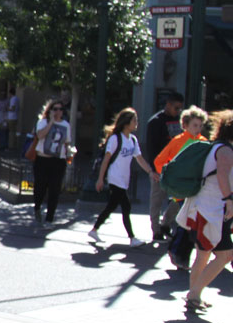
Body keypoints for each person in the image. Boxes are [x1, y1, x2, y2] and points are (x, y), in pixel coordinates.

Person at [176, 110, 233, 312]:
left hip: (203, 208)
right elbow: (223, 178)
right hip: (214, 210)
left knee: (203, 254)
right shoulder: (225, 151)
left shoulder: (214, 147)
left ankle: (194, 295)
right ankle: (194, 293)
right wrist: (230, 201)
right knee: (225, 256)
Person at [88, 108, 158, 246]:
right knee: (126, 206)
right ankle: (132, 238)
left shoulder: (132, 139)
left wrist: (150, 171)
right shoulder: (115, 139)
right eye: (134, 120)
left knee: (111, 206)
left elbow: (139, 158)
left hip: (124, 179)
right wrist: (101, 178)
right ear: (126, 123)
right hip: (115, 177)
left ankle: (94, 229)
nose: (136, 123)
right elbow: (106, 160)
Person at [154, 106, 208, 270]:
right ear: (185, 125)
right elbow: (159, 162)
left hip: (197, 189)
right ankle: (178, 253)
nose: (197, 129)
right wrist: (169, 179)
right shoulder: (177, 141)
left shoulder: (204, 142)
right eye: (194, 125)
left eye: (199, 125)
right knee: (188, 224)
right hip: (183, 190)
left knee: (190, 225)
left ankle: (178, 253)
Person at [146, 92, 185, 240]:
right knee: (157, 199)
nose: (178, 111)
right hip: (160, 168)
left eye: (180, 108)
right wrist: (154, 170)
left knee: (179, 197)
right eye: (176, 108)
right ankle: (156, 230)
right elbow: (151, 148)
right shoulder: (155, 122)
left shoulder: (179, 121)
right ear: (168, 104)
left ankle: (166, 223)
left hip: (175, 168)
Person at [32, 99, 74, 224]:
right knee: (40, 187)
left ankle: (50, 218)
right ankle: (37, 207)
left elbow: (67, 142)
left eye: (60, 109)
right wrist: (51, 121)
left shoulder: (66, 125)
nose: (58, 112)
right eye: (55, 109)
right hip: (42, 160)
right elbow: (40, 136)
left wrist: (70, 153)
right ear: (50, 110)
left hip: (58, 161)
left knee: (55, 190)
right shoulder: (43, 122)